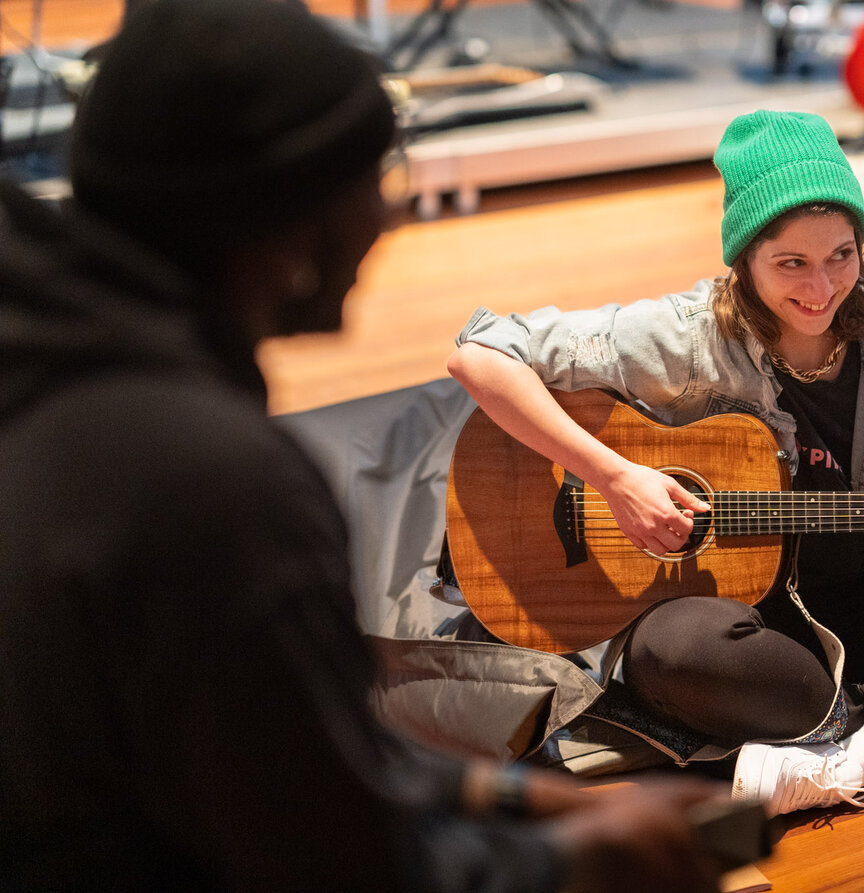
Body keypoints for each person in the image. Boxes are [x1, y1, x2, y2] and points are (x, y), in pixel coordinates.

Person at [0, 2, 727, 890]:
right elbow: (338, 863)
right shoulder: (208, 483)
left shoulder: (56, 371)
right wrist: (586, 858)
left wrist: (517, 799)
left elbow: (280, 746)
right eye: (371, 177)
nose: (386, 213)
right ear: (286, 209)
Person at [447, 109, 864, 817]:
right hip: (771, 643)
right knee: (672, 649)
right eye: (791, 263)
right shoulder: (690, 336)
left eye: (841, 255)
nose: (821, 288)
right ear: (744, 261)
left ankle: (848, 760)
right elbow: (481, 351)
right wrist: (616, 477)